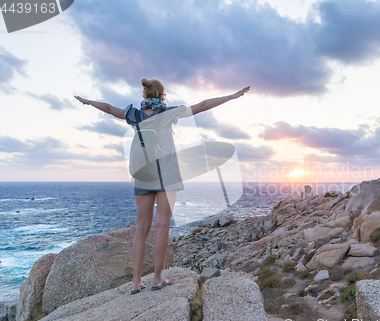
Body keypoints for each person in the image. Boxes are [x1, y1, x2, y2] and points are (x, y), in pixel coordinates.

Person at [74, 80, 250, 294]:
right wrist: (231, 96)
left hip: (142, 175)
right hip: (166, 175)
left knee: (141, 229)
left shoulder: (134, 115)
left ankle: (136, 282)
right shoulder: (169, 113)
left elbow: (110, 109)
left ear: (145, 95)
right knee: (162, 226)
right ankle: (157, 278)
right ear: (162, 95)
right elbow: (203, 105)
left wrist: (88, 102)